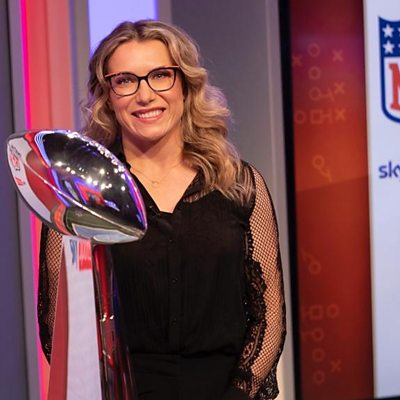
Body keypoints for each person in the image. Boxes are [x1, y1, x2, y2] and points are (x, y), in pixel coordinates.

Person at [38, 19, 286, 400]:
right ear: (107, 96)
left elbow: (268, 317)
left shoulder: (239, 184)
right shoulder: (82, 197)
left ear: (185, 86)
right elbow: (60, 329)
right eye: (125, 80)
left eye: (160, 76)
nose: (145, 95)